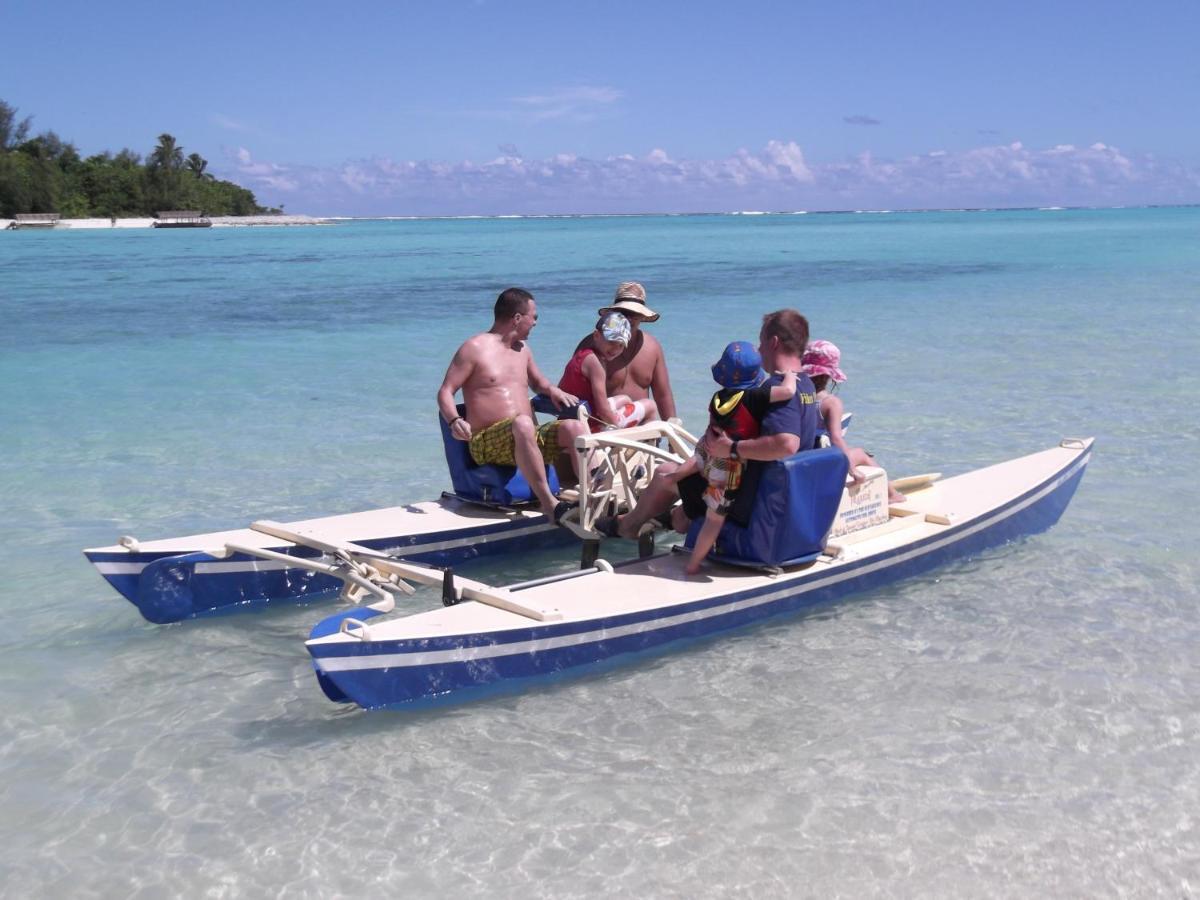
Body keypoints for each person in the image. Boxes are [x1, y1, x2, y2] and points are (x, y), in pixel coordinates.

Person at [600, 308, 819, 545]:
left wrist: (733, 448)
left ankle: (627, 526)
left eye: (761, 342)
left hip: (749, 498)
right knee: (692, 483)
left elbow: (786, 444)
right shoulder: (806, 386)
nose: (760, 349)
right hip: (781, 495)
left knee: (666, 474)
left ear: (774, 342)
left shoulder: (772, 389)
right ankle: (677, 519)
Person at [437, 287, 587, 522]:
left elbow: (538, 383)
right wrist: (454, 420)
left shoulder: (523, 350)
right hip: (487, 441)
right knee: (524, 424)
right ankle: (550, 505)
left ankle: (592, 497)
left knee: (574, 428)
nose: (535, 323)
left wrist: (553, 390)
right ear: (518, 318)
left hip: (526, 435)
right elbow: (445, 391)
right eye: (533, 317)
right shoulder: (474, 348)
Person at [664, 341, 798, 574]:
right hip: (727, 468)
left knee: (700, 456)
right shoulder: (755, 397)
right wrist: (790, 376)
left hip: (708, 453)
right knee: (714, 519)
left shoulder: (717, 398)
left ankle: (674, 476)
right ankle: (693, 564)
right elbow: (788, 392)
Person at [802, 339, 905, 504]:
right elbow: (836, 438)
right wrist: (851, 470)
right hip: (821, 466)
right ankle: (891, 494)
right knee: (860, 453)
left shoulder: (795, 397)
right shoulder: (830, 403)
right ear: (829, 375)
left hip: (802, 463)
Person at [573, 282, 677, 421]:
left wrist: (673, 434)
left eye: (634, 314)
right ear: (614, 313)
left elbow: (663, 395)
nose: (628, 318)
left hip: (642, 434)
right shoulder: (593, 345)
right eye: (624, 312)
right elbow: (573, 391)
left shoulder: (652, 347)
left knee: (650, 407)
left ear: (642, 316)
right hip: (605, 428)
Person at [558, 311, 658, 432]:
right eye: (611, 342)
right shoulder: (596, 365)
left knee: (624, 399)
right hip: (589, 426)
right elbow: (603, 411)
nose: (615, 349)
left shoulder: (583, 355)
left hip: (574, 416)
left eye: (621, 345)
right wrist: (618, 427)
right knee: (650, 406)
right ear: (596, 335)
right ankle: (645, 446)